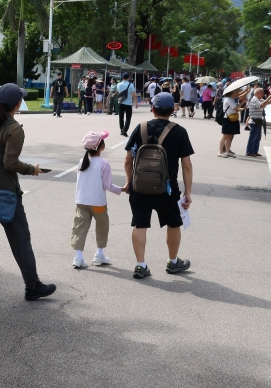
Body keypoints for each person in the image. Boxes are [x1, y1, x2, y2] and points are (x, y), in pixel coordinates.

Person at [0, 83, 55, 301]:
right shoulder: (14, 129)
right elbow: (10, 163)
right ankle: (33, 286)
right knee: (20, 241)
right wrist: (32, 169)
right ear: (17, 104)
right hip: (4, 195)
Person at [123, 92, 194, 280]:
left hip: (140, 187)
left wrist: (130, 181)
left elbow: (128, 160)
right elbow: (187, 164)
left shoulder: (140, 128)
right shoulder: (179, 131)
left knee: (140, 224)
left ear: (152, 108)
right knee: (173, 223)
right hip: (167, 189)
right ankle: (173, 262)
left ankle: (141, 265)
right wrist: (188, 192)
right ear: (172, 110)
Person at [71, 130, 124, 269]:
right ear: (102, 147)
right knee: (102, 227)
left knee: (79, 228)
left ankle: (78, 257)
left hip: (81, 201)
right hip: (98, 204)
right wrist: (122, 189)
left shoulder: (82, 161)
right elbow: (107, 185)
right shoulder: (104, 163)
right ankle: (99, 254)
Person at [245, 87, 271, 158]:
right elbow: (261, 105)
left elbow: (268, 102)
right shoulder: (254, 99)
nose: (263, 94)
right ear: (257, 93)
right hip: (254, 121)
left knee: (258, 138)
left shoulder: (259, 99)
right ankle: (249, 151)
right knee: (253, 137)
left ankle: (255, 151)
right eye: (262, 93)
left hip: (258, 121)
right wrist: (269, 97)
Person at [219, 87, 246, 158]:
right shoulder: (229, 99)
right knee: (225, 136)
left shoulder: (231, 99)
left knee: (230, 136)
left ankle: (227, 151)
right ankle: (220, 152)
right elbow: (235, 108)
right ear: (232, 92)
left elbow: (235, 109)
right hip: (228, 119)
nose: (238, 93)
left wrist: (242, 108)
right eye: (236, 91)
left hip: (232, 118)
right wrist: (243, 102)